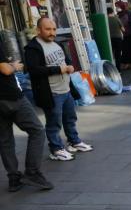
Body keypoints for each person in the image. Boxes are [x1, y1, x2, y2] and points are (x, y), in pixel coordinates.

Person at [24, 18, 93, 162]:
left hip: (65, 89)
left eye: (54, 29)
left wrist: (69, 65)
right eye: (48, 29)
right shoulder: (33, 48)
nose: (52, 32)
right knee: (54, 122)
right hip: (51, 93)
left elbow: (64, 61)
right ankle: (56, 149)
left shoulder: (56, 44)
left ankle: (74, 141)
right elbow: (34, 70)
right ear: (38, 30)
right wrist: (58, 69)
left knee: (70, 118)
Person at [0, 46, 53, 192]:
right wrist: (14, 66)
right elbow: (4, 69)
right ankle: (32, 172)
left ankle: (14, 178)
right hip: (9, 96)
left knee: (5, 139)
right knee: (37, 130)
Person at [117, 1, 131, 70]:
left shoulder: (127, 13)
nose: (117, 8)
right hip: (125, 35)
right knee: (126, 50)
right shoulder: (120, 14)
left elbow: (124, 23)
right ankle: (128, 64)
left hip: (130, 34)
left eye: (118, 6)